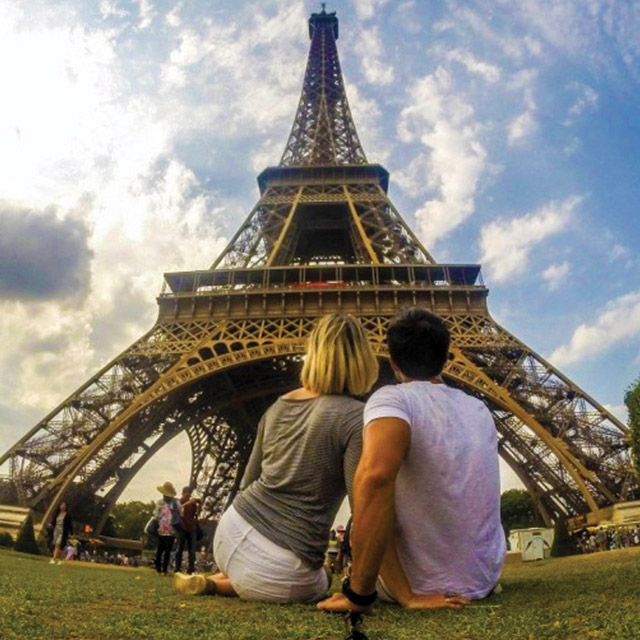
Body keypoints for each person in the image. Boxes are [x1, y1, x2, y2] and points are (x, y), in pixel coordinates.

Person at [174, 313, 378, 602]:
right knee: (323, 577)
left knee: (257, 571)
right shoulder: (357, 417)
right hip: (282, 563)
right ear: (363, 359)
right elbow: (364, 508)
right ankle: (224, 584)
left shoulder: (277, 407)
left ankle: (214, 581)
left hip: (230, 531)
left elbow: (247, 483)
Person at [319, 308, 506, 612]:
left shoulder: (392, 398)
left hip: (417, 583)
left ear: (393, 363)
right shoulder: (478, 409)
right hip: (481, 580)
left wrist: (361, 595)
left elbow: (375, 480)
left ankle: (369, 586)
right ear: (445, 358)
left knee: (367, 493)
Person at [153, 481, 181, 575]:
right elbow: (156, 515)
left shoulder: (174, 503)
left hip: (170, 530)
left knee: (166, 550)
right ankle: (159, 568)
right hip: (163, 529)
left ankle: (163, 569)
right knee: (161, 550)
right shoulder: (162, 503)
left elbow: (156, 515)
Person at [175, 486, 198, 575]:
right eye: (188, 492)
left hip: (191, 528)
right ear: (184, 492)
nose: (189, 494)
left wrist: (195, 504)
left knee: (192, 550)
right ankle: (177, 568)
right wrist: (188, 503)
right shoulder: (179, 501)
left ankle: (191, 569)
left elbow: (195, 513)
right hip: (182, 528)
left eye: (190, 492)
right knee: (179, 549)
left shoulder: (192, 503)